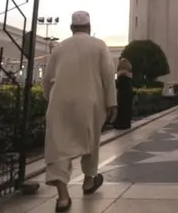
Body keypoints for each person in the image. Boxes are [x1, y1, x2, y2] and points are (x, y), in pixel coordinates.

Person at [42, 11, 117, 212]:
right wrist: (112, 103)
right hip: (89, 101)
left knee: (58, 147)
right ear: (89, 27)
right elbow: (108, 76)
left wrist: (50, 99)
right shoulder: (98, 45)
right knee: (90, 142)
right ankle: (88, 181)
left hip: (60, 101)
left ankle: (63, 198)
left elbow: (47, 79)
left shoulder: (58, 48)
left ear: (71, 28)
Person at [113, 58, 134, 130]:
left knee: (121, 110)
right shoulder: (129, 77)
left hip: (121, 97)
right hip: (128, 96)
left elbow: (116, 86)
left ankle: (120, 124)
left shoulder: (121, 76)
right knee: (127, 109)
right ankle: (126, 123)